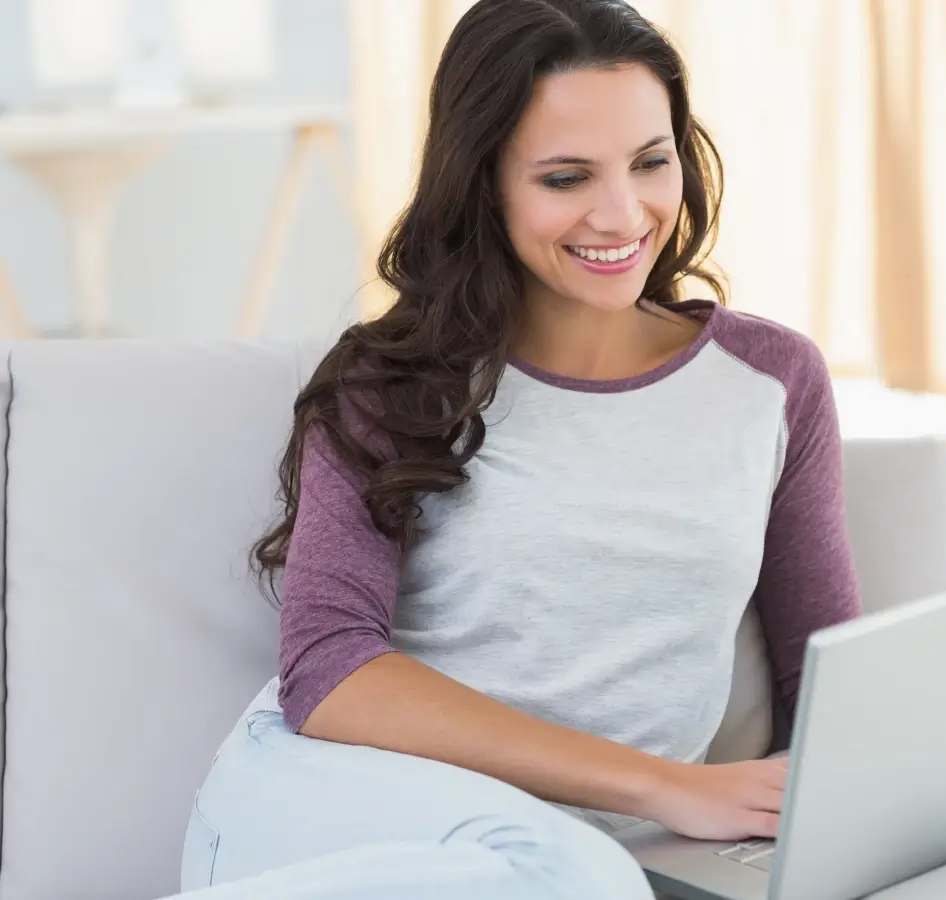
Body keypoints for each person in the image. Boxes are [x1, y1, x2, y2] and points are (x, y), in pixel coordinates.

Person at [170, 0, 861, 897]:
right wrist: (669, 789)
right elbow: (330, 672)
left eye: (651, 163)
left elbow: (830, 681)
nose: (622, 215)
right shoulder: (393, 382)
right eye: (566, 178)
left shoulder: (772, 383)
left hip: (569, 864)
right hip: (326, 806)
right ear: (483, 181)